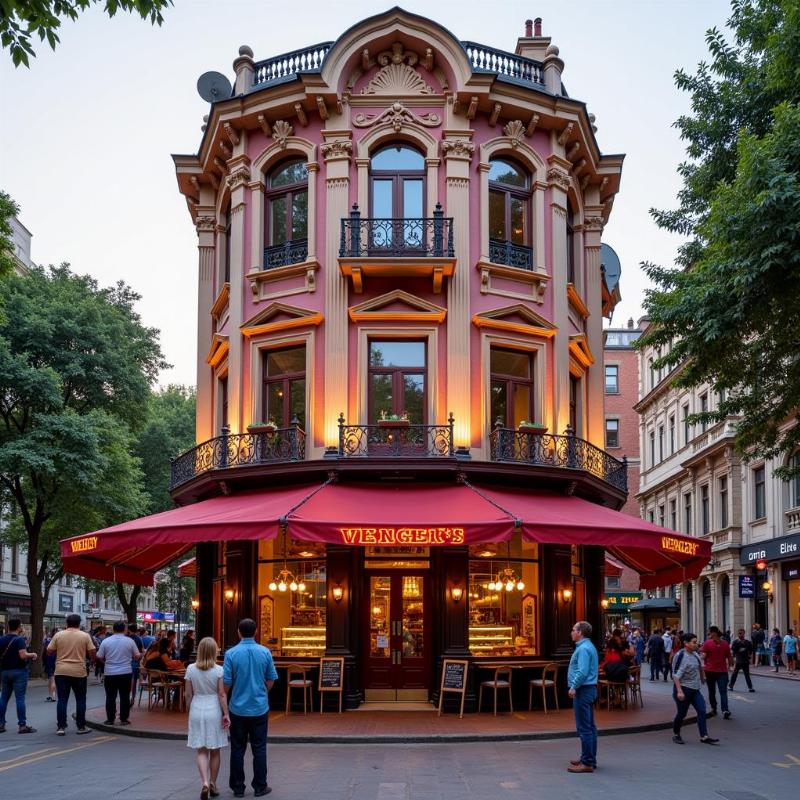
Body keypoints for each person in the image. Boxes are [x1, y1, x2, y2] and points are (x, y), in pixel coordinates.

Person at [223, 618, 278, 797]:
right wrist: (263, 692)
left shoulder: (231, 654)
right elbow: (271, 679)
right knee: (259, 748)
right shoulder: (265, 652)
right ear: (255, 632)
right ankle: (260, 786)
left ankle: (238, 788)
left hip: (237, 708)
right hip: (259, 707)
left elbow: (227, 683)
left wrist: (225, 700)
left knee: (237, 749)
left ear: (239, 632)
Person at [186, 637, 230, 800]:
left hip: (197, 706)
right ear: (214, 651)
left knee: (201, 750)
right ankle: (213, 783)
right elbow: (221, 694)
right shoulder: (219, 670)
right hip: (213, 709)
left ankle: (204, 782)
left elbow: (188, 693)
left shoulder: (190, 669)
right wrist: (226, 713)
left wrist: (189, 709)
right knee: (215, 750)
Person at [47, 613, 96, 735]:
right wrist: (92, 660)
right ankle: (81, 726)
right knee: (80, 699)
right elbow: (92, 651)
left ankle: (61, 727)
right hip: (79, 671)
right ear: (79, 623)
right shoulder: (85, 636)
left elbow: (49, 651)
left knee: (62, 700)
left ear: (67, 623)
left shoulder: (58, 635)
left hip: (61, 671)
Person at [671, 632, 719, 746]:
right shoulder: (680, 656)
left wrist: (703, 678)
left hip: (695, 690)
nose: (696, 644)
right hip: (683, 689)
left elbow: (700, 667)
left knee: (702, 710)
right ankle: (676, 734)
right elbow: (675, 675)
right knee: (682, 714)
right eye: (693, 642)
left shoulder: (696, 654)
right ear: (685, 643)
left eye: (696, 642)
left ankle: (704, 736)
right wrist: (679, 691)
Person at [566, 620, 598, 773]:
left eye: (573, 630)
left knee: (584, 727)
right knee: (590, 727)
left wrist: (573, 686)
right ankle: (589, 757)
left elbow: (583, 671)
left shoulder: (583, 649)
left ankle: (587, 762)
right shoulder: (587, 646)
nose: (571, 632)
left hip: (583, 690)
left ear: (580, 632)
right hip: (589, 689)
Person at [96, 620, 141, 726]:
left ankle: (110, 719)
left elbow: (99, 656)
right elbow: (137, 656)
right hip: (126, 672)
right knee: (125, 696)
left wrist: (106, 662)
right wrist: (140, 655)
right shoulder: (129, 641)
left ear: (113, 629)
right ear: (124, 629)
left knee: (110, 696)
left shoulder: (106, 641)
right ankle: (124, 719)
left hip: (110, 672)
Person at [0, 618, 38, 734]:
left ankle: (1, 724)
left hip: (5, 672)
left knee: (4, 698)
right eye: (21, 625)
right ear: (18, 627)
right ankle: (22, 725)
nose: (22, 627)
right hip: (19, 672)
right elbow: (22, 655)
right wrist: (32, 654)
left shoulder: (1, 639)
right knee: (20, 699)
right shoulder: (19, 640)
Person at [700, 625, 733, 719]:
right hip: (721, 671)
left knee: (712, 691)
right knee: (723, 691)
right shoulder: (725, 643)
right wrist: (731, 666)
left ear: (713, 633)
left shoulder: (707, 643)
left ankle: (714, 709)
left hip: (711, 671)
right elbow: (729, 657)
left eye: (709, 632)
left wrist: (699, 657)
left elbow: (703, 656)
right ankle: (724, 709)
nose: (708, 634)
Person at [127, 624, 144, 706]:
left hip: (128, 661)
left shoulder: (127, 638)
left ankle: (128, 698)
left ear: (129, 630)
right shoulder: (138, 639)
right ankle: (132, 698)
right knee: (133, 682)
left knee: (129, 681)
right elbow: (141, 652)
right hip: (135, 662)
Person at [42, 627, 58, 702]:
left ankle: (53, 696)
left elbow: (44, 653)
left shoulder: (48, 641)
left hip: (49, 662)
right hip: (56, 662)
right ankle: (50, 695)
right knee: (51, 679)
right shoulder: (59, 642)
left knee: (51, 679)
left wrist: (44, 663)